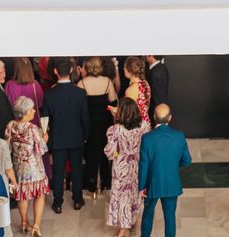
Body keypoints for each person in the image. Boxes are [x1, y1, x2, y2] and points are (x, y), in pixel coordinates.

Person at [138, 104, 191, 237]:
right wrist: (174, 166)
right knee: (170, 216)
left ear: (154, 117)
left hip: (152, 184)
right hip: (171, 183)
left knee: (148, 213)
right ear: (170, 118)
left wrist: (141, 187)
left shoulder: (147, 138)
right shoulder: (179, 136)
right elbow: (187, 161)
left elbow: (144, 165)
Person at [42, 57, 90, 214]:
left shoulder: (49, 94)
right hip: (76, 137)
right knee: (76, 169)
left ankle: (57, 203)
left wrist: (45, 134)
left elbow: (45, 119)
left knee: (58, 171)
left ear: (55, 72)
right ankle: (77, 200)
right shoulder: (80, 93)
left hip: (58, 138)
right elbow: (85, 118)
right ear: (71, 71)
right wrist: (85, 135)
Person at [105, 98, 150, 237]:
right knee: (136, 192)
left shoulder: (116, 129)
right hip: (138, 163)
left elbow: (110, 152)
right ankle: (134, 220)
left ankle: (123, 229)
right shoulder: (144, 126)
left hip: (121, 165)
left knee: (122, 194)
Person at [5, 96, 50, 237]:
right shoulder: (32, 129)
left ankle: (24, 222)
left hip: (18, 168)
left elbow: (8, 148)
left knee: (22, 196)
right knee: (39, 195)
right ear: (24, 113)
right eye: (31, 110)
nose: (34, 112)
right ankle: (36, 225)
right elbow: (41, 149)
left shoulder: (10, 126)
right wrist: (45, 138)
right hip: (34, 169)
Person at [77, 57, 118, 193]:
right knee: (104, 153)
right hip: (104, 123)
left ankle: (91, 183)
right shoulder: (107, 82)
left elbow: (78, 107)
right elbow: (113, 103)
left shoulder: (82, 83)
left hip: (88, 124)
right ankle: (105, 181)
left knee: (90, 154)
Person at [5, 57, 51, 179]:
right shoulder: (35, 85)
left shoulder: (10, 85)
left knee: (20, 156)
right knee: (36, 154)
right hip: (34, 123)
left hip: (18, 125)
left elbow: (9, 105)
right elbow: (40, 104)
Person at [123, 56, 151, 124]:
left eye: (125, 67)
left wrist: (116, 112)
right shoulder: (145, 83)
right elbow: (146, 107)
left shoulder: (130, 90)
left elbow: (128, 116)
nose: (123, 69)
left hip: (136, 127)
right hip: (146, 123)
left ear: (130, 70)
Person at [145, 55, 169, 126]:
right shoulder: (163, 67)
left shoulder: (155, 73)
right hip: (161, 110)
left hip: (156, 113)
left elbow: (157, 97)